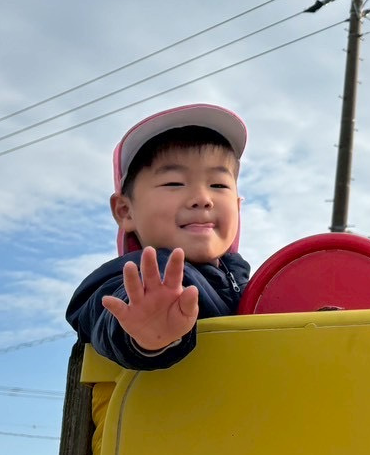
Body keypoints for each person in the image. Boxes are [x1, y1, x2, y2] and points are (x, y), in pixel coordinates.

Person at [66, 104, 250, 370]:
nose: (202, 199)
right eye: (174, 183)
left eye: (218, 185)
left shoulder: (250, 286)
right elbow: (103, 309)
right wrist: (145, 332)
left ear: (238, 206)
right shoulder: (136, 276)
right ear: (125, 210)